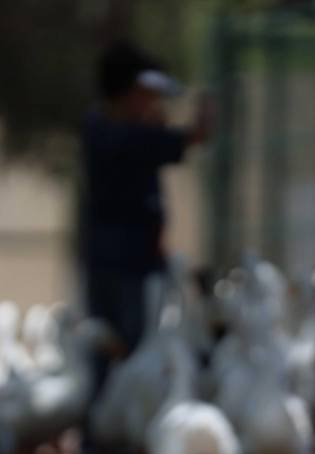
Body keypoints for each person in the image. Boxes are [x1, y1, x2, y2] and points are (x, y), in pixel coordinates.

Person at [80, 42, 211, 355]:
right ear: (130, 92)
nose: (153, 103)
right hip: (127, 264)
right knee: (130, 347)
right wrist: (207, 107)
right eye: (147, 94)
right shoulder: (123, 134)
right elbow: (194, 136)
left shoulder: (98, 126)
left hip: (115, 255)